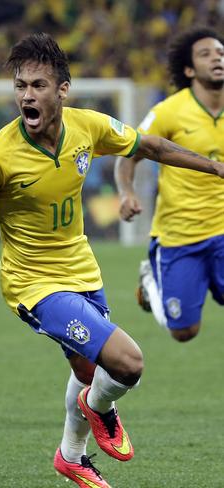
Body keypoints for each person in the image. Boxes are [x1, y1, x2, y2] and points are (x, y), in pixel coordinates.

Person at [0, 33, 224, 488]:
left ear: (62, 90)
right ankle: (98, 409)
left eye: (39, 85)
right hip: (34, 286)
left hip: (81, 269)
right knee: (127, 364)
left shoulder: (87, 127)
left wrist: (215, 167)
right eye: (21, 86)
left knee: (90, 372)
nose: (27, 95)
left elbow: (152, 148)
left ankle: (71, 457)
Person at [115, 27, 224, 343]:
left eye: (220, 52)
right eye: (206, 54)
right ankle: (151, 282)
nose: (217, 57)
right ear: (189, 70)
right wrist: (127, 192)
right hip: (179, 236)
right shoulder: (168, 112)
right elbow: (127, 157)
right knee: (184, 331)